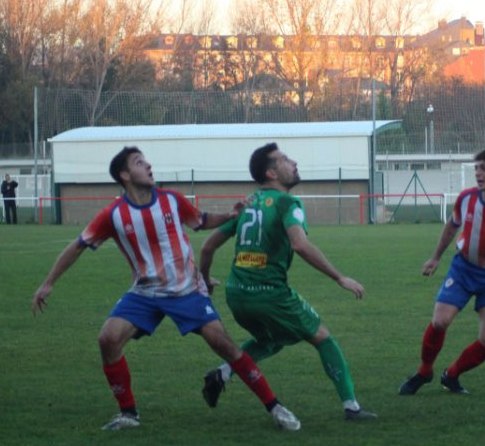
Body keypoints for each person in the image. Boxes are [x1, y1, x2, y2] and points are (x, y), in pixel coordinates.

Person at [31, 146, 300, 431]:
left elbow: (201, 220)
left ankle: (275, 407)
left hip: (187, 290)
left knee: (225, 345)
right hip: (144, 293)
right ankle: (128, 414)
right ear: (124, 175)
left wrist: (229, 214)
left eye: (146, 161)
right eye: (139, 162)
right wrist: (48, 283)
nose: (148, 166)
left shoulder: (171, 200)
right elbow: (78, 246)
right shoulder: (113, 215)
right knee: (107, 339)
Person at [199, 142, 376, 421]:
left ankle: (222, 373)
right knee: (322, 337)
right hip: (270, 295)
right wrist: (340, 277)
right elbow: (300, 245)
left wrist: (206, 279)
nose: (293, 163)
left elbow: (207, 247)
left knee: (271, 340)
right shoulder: (287, 203)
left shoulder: (247, 204)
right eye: (284, 160)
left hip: (236, 294)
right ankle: (352, 407)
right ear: (271, 173)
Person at [398, 149, 485, 396]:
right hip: (464, 269)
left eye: (483, 168)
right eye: (476, 169)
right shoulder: (467, 198)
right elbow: (451, 228)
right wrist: (435, 258)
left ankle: (452, 375)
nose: (478, 173)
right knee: (440, 320)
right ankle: (424, 371)